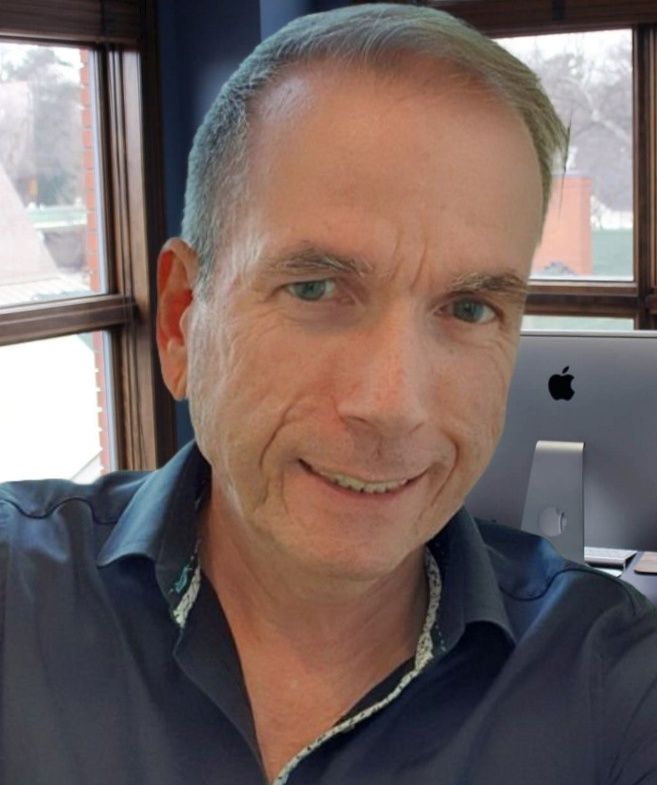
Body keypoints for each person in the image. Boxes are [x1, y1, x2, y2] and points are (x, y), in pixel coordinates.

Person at [1, 4, 656, 784]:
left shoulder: (613, 682)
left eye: (468, 307)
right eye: (314, 288)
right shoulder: (18, 598)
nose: (392, 405)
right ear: (181, 322)